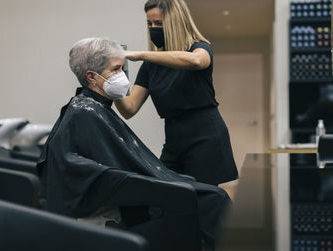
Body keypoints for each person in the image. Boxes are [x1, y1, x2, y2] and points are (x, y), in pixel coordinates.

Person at [36, 37, 230, 250]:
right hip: (132, 196)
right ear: (92, 77)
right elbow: (108, 171)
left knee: (199, 189)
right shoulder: (85, 113)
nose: (122, 75)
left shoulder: (90, 108)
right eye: (116, 69)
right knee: (215, 197)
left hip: (136, 186)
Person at [114, 0, 238, 186]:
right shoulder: (151, 66)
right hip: (174, 139)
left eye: (159, 23)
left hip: (205, 135)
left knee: (205, 201)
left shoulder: (199, 47)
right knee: (168, 194)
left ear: (174, 22)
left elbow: (197, 61)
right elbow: (129, 109)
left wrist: (141, 54)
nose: (153, 28)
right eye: (149, 23)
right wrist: (111, 81)